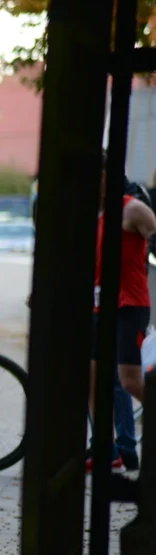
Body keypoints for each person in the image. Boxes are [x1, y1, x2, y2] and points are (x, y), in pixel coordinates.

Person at [87, 154, 156, 471]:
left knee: (128, 381)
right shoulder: (96, 215)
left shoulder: (132, 209)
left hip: (130, 305)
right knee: (92, 379)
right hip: (101, 306)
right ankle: (107, 448)